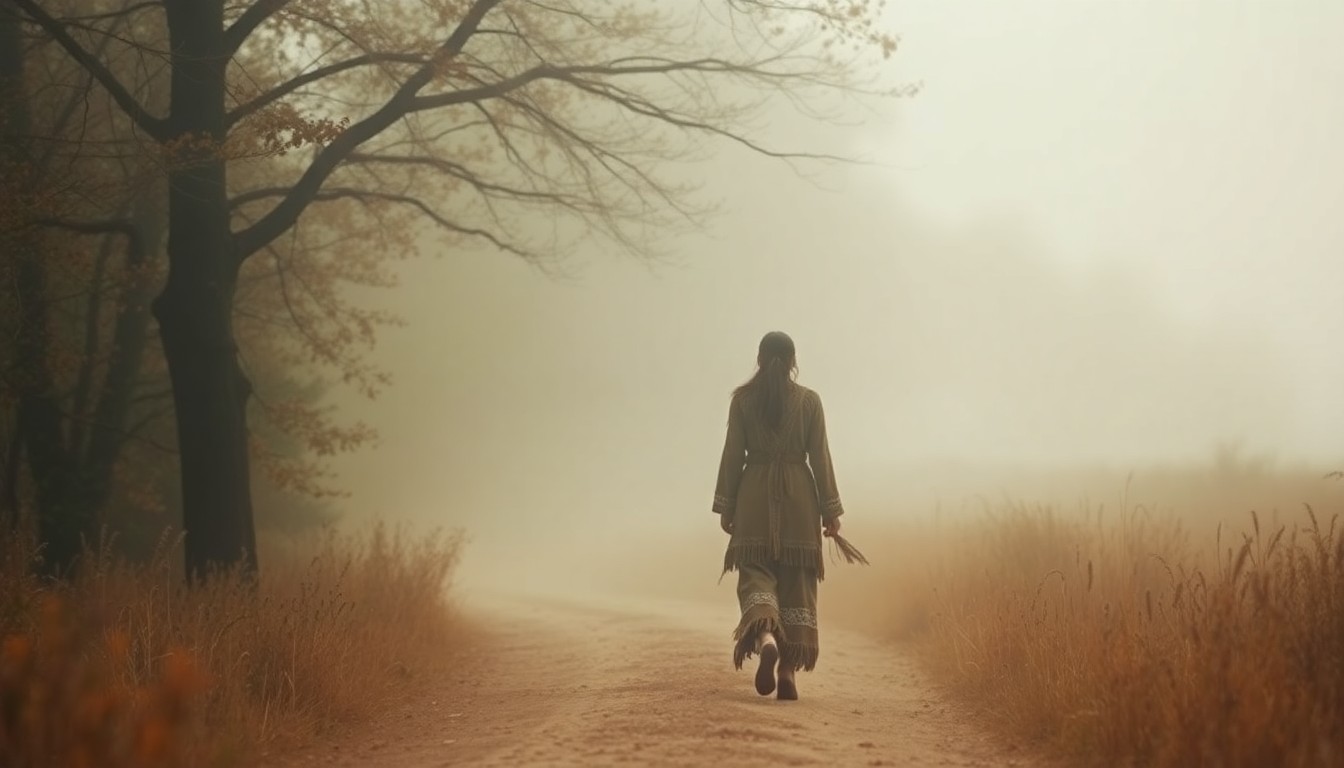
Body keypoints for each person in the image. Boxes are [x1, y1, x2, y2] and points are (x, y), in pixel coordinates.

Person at [711, 331, 844, 701]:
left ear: (759, 358)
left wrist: (727, 505)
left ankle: (766, 637)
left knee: (755, 576)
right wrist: (831, 509)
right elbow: (820, 456)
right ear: (793, 361)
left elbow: (732, 454)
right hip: (800, 500)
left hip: (753, 497)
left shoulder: (742, 401)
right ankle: (787, 672)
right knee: (797, 584)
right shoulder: (810, 401)